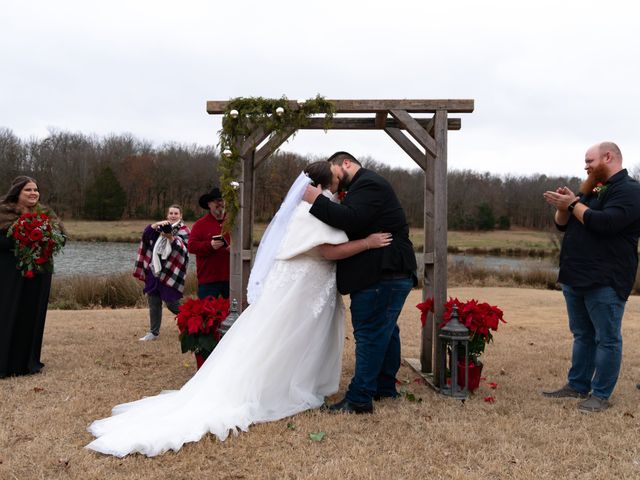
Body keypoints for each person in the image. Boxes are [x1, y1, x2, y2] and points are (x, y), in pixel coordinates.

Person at [86, 161, 392, 457]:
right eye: (337, 183)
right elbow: (326, 250)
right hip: (301, 288)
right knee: (284, 338)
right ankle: (281, 387)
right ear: (324, 184)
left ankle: (300, 381)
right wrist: (367, 243)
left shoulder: (313, 206)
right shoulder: (313, 210)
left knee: (293, 339)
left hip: (308, 286)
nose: (340, 189)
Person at [303, 151, 417, 414]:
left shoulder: (369, 183)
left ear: (346, 163)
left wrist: (317, 201)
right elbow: (355, 221)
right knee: (386, 333)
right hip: (387, 274)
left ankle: (359, 398)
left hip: (382, 274)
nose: (333, 179)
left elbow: (351, 219)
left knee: (369, 335)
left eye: (333, 170)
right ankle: (384, 387)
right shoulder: (364, 186)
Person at [542, 141, 640, 413]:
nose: (585, 166)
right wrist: (565, 205)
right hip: (576, 276)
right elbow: (563, 225)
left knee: (607, 338)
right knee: (582, 334)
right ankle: (577, 385)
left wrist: (573, 202)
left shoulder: (630, 190)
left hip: (606, 279)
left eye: (589, 161)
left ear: (608, 157)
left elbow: (605, 223)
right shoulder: (597, 187)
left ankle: (600, 394)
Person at [0, 176, 65, 378]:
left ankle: (27, 362)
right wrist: (21, 239)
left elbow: (62, 238)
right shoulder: (3, 212)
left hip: (40, 273)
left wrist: (47, 239)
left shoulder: (46, 213)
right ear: (17, 192)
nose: (33, 193)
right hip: (11, 273)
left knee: (32, 315)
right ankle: (5, 362)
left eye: (36, 189)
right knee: (8, 313)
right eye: (28, 189)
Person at [134, 204, 190, 341]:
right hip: (155, 270)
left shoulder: (184, 230)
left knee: (172, 303)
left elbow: (183, 250)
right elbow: (146, 235)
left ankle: (192, 323)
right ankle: (153, 333)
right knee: (153, 301)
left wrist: (171, 237)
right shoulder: (160, 228)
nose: (173, 215)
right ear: (167, 215)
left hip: (171, 272)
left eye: (176, 213)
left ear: (181, 215)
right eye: (170, 213)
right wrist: (157, 224)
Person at [188, 187, 231, 299]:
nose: (220, 203)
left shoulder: (235, 224)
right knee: (206, 315)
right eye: (216, 201)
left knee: (236, 314)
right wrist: (210, 245)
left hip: (232, 278)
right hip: (208, 280)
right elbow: (191, 247)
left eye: (222, 200)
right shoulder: (200, 224)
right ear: (209, 204)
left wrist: (235, 249)